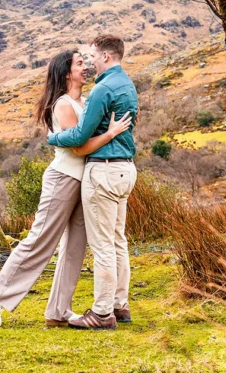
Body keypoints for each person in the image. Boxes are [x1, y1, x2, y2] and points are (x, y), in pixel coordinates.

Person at [0, 48, 132, 328]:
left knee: (74, 248)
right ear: (65, 72)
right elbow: (79, 147)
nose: (85, 67)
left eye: (86, 62)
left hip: (84, 181)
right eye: (79, 64)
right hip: (63, 178)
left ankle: (59, 310)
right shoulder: (62, 105)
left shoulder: (85, 102)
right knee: (41, 240)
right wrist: (111, 133)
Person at [48, 34, 138, 331]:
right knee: (117, 240)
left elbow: (78, 137)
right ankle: (119, 305)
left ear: (107, 57)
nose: (89, 62)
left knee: (102, 246)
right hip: (126, 169)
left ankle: (101, 313)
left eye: (93, 56)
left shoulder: (102, 89)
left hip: (104, 171)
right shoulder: (127, 85)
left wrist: (53, 137)